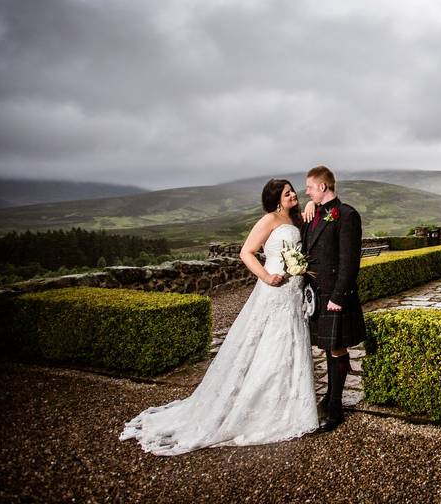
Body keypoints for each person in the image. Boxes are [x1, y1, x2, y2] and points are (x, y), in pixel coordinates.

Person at [120, 179, 320, 455]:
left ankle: (292, 403)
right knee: (270, 345)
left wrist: (312, 202)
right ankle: (261, 405)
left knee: (293, 344)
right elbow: (246, 252)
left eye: (293, 191)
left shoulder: (298, 219)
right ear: (276, 198)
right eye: (288, 193)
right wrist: (266, 276)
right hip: (274, 290)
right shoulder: (269, 220)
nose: (293, 194)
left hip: (294, 293)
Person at [303, 165, 366, 432]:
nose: (306, 192)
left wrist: (339, 296)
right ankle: (330, 397)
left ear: (323, 187)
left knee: (337, 347)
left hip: (334, 296)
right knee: (328, 348)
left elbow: (349, 261)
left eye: (309, 188)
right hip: (317, 295)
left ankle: (336, 408)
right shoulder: (314, 213)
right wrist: (308, 203)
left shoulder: (347, 215)